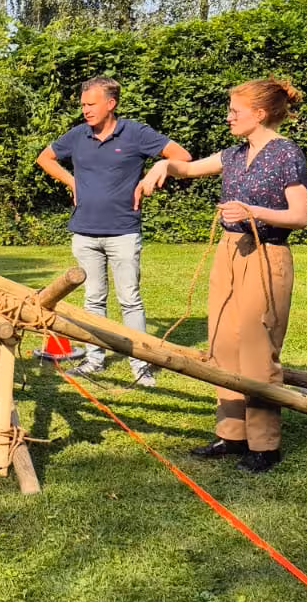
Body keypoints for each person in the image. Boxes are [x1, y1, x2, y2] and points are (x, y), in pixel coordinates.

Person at [138, 78, 307, 472]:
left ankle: (265, 445)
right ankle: (231, 435)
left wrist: (254, 211)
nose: (229, 116)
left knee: (256, 346)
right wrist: (163, 165)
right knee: (223, 344)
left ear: (260, 113)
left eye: (236, 110)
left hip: (266, 254)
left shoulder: (286, 154)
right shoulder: (234, 153)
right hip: (229, 251)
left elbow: (300, 215)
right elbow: (189, 168)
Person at [36, 77, 191, 386]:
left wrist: (151, 176)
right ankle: (95, 359)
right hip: (84, 231)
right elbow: (45, 157)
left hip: (123, 230)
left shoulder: (135, 133)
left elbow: (182, 156)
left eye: (91, 104)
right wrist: (72, 182)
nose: (85, 110)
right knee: (93, 299)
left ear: (111, 103)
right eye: (82, 104)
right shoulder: (79, 135)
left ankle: (141, 365)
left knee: (130, 299)